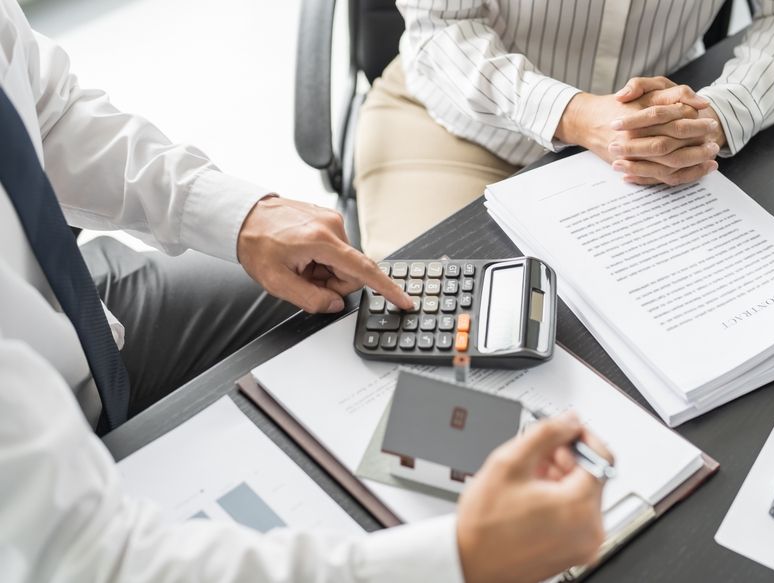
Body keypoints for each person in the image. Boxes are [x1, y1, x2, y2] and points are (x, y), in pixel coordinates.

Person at [0, 1, 610, 581]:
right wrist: (459, 559)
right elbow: (89, 563)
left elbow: (46, 113)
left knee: (340, 301)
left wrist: (241, 216)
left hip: (76, 299)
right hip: (38, 447)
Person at [355, 0, 774, 259]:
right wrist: (573, 114)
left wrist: (714, 116)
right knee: (442, 336)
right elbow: (440, 28)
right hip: (461, 125)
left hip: (656, 138)